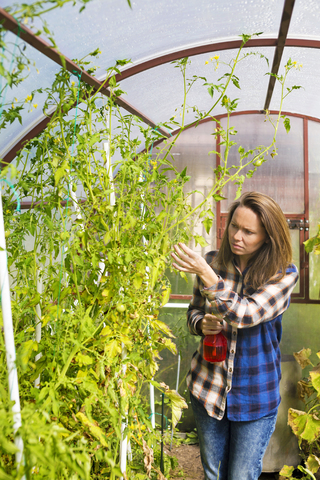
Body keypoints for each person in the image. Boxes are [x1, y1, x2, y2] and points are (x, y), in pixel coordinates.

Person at [171, 191, 299, 480]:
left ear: (268, 236)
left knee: (241, 475)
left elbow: (245, 314)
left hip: (255, 393)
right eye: (233, 226)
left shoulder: (283, 274)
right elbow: (193, 312)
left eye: (248, 231)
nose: (236, 236)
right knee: (213, 473)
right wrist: (201, 323)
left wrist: (206, 273)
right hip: (208, 386)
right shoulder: (214, 262)